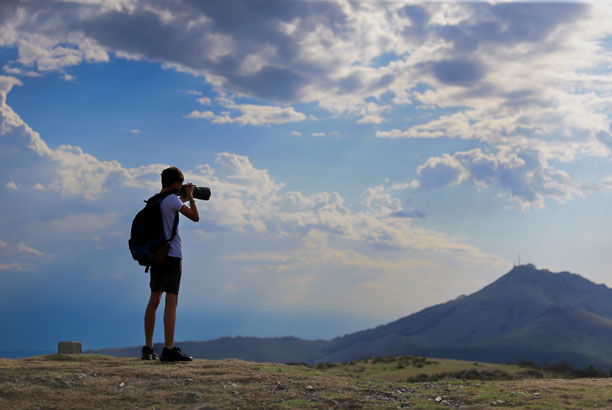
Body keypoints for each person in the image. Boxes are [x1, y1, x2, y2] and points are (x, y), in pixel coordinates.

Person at [141, 166, 199, 362]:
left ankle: (148, 348)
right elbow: (195, 217)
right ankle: (169, 348)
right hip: (172, 255)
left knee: (154, 299)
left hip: (156, 256)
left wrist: (181, 198)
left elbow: (172, 206)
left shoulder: (157, 200)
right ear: (176, 184)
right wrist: (191, 197)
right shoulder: (173, 200)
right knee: (171, 301)